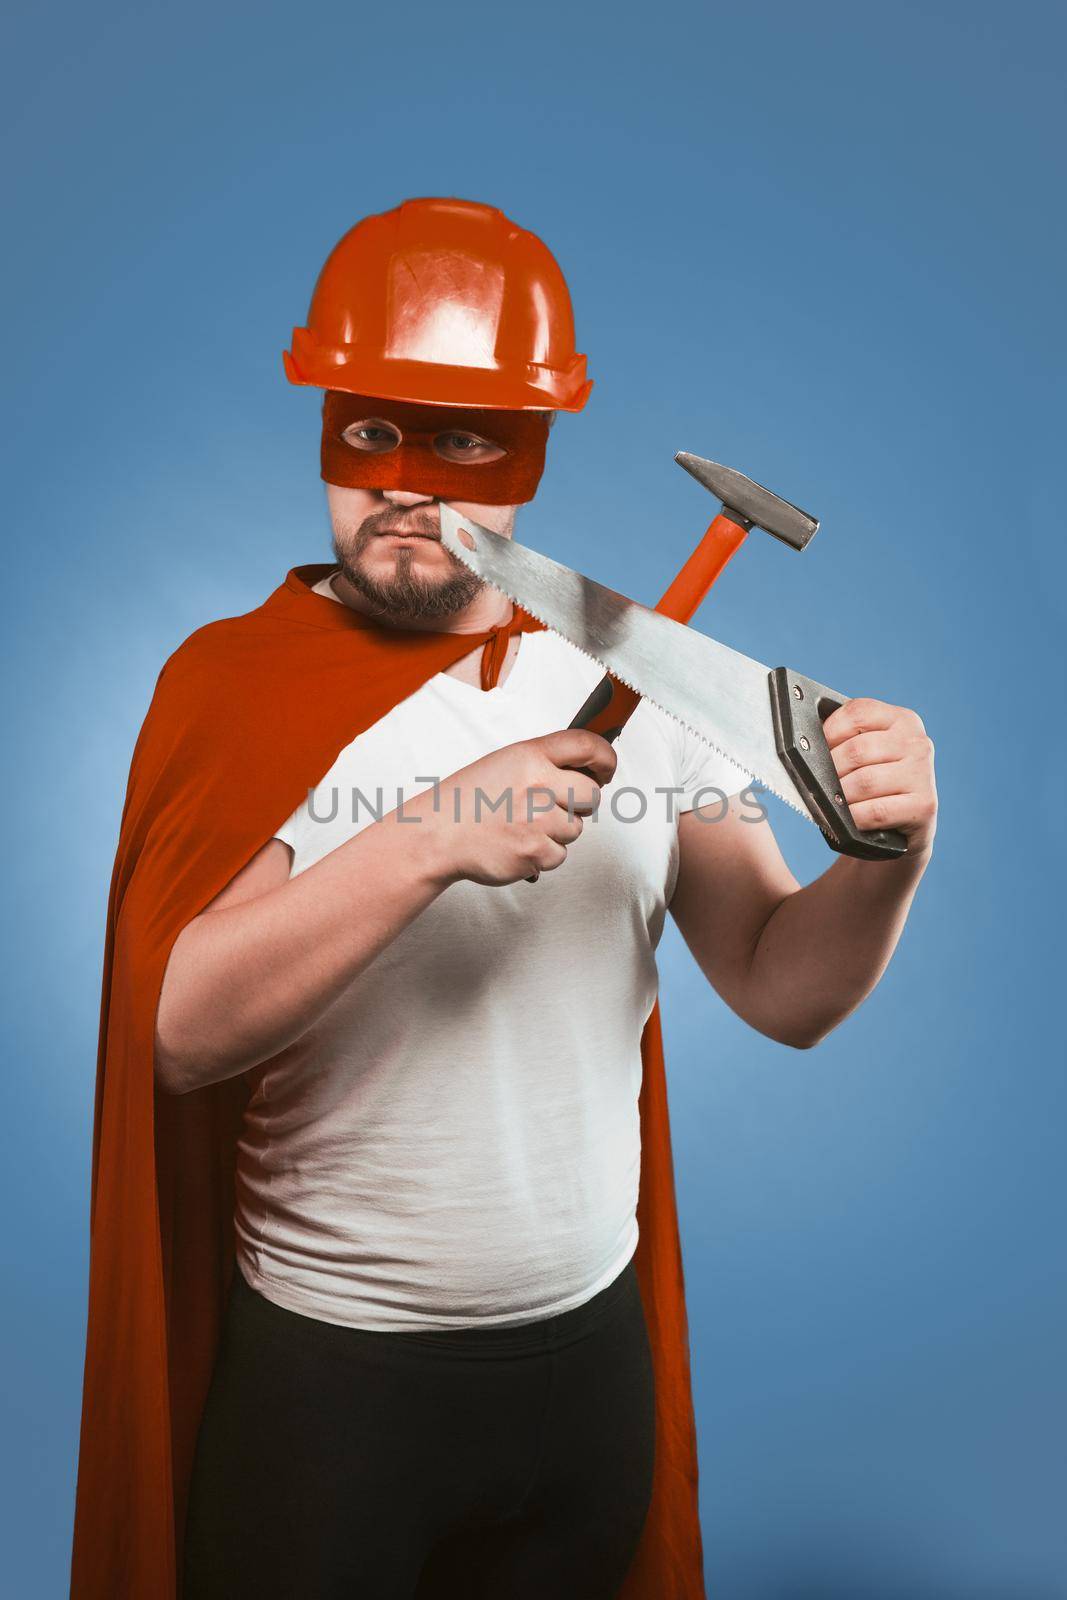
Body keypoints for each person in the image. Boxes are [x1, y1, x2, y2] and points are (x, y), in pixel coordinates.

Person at [69, 197, 937, 1600]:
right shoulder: (231, 689)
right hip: (330, 1393)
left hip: (579, 1382)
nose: (408, 485)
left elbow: (784, 985)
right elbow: (178, 1028)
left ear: (529, 451)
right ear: (326, 428)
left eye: (464, 441)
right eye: (369, 435)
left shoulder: (635, 675)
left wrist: (887, 857)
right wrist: (423, 839)